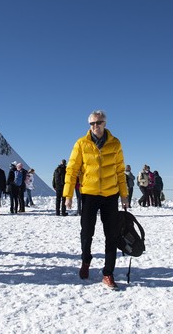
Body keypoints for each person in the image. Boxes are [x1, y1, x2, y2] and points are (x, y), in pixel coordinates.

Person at [63, 110, 128, 290]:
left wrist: (124, 195)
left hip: (110, 194)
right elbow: (72, 170)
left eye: (98, 122)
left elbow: (119, 171)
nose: (95, 126)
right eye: (92, 123)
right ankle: (85, 261)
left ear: (105, 123)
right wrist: (68, 195)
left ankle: (108, 273)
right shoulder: (82, 143)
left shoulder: (115, 143)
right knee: (87, 232)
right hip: (89, 194)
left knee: (112, 235)